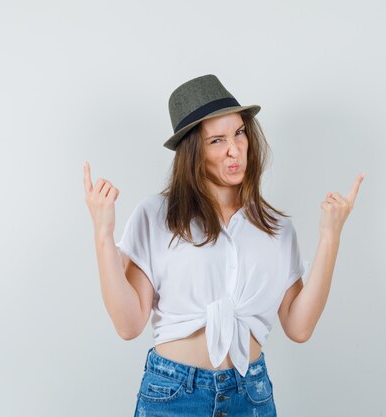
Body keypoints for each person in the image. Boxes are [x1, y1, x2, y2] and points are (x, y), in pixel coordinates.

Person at [83, 74, 365, 417]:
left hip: (251, 396)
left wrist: (330, 236)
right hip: (174, 395)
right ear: (193, 152)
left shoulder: (275, 228)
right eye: (216, 140)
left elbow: (299, 326)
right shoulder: (157, 216)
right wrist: (102, 231)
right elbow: (129, 325)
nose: (234, 150)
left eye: (239, 133)